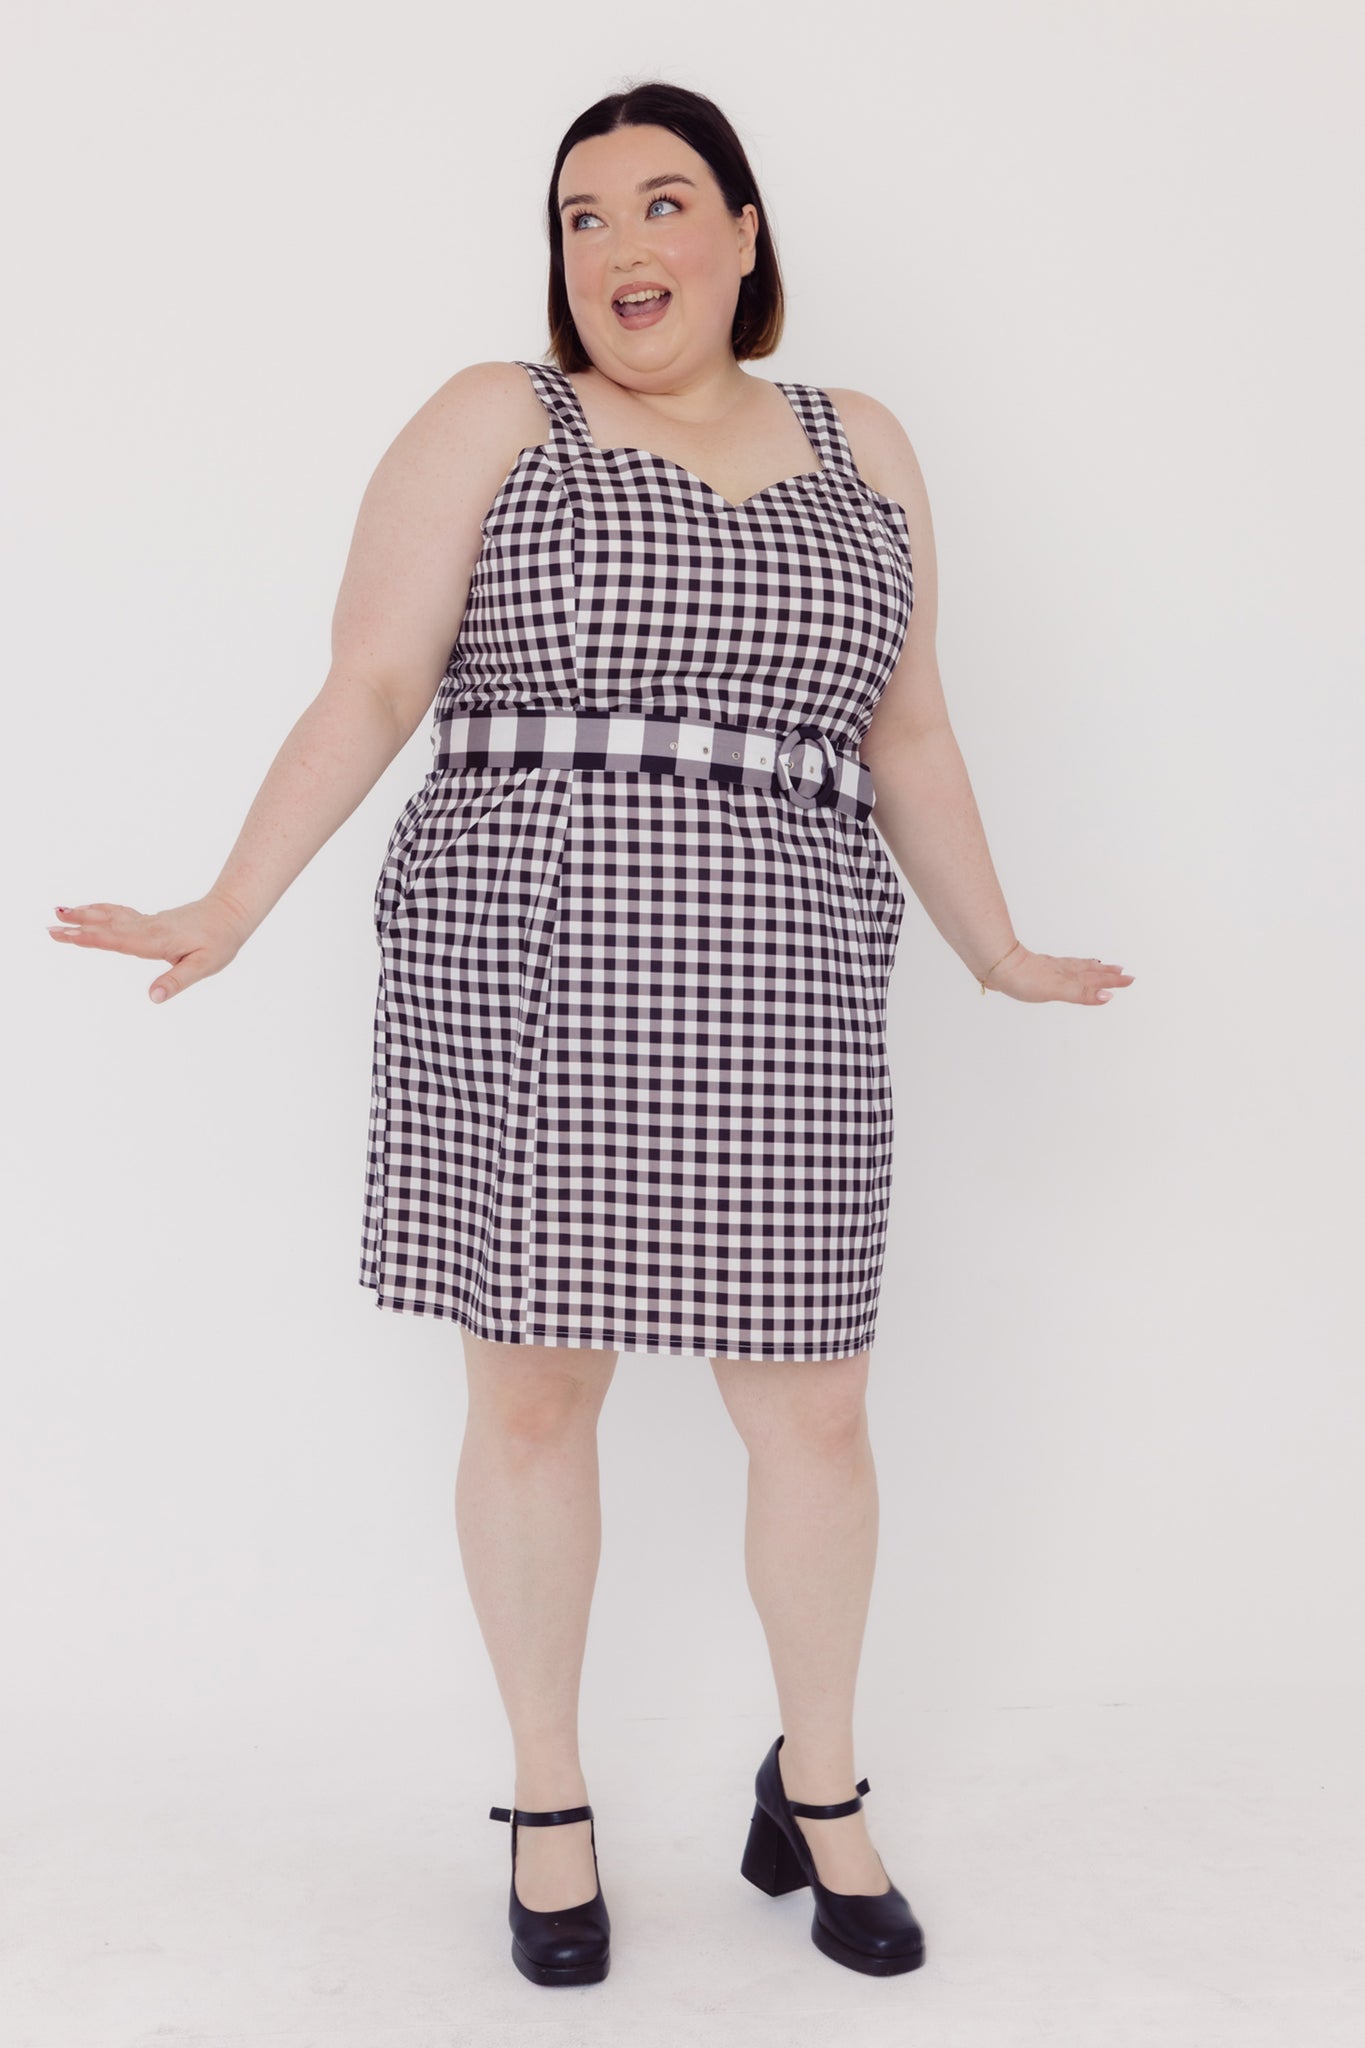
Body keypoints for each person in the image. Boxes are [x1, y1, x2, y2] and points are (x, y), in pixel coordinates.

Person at [46, 81, 1133, 1989]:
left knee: (812, 1398)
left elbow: (910, 732)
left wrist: (996, 949)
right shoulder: (496, 417)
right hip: (525, 948)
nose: (620, 247)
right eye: (579, 217)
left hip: (787, 960)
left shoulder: (860, 439)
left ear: (741, 231)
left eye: (660, 202)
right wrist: (230, 901)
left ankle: (820, 1782)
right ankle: (548, 1796)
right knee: (536, 1388)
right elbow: (375, 678)